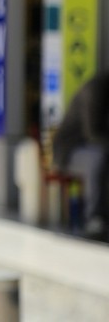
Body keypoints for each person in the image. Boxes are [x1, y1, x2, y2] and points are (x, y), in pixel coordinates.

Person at [52, 72, 109, 239]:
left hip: (96, 147)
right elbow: (92, 132)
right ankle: (95, 218)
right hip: (70, 150)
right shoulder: (94, 90)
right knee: (97, 158)